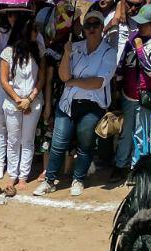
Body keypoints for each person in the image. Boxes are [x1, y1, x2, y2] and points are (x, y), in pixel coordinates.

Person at [35, 10, 115, 198]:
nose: (92, 28)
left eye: (96, 24)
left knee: (85, 144)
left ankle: (78, 179)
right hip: (68, 102)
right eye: (88, 25)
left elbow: (99, 82)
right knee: (58, 143)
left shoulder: (109, 52)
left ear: (102, 27)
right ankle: (49, 181)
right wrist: (66, 54)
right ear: (84, 28)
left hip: (92, 104)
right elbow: (64, 76)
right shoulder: (75, 47)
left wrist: (74, 81)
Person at [0, 13, 41, 198]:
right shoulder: (7, 53)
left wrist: (31, 98)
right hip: (12, 102)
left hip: (33, 102)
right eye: (34, 29)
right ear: (25, 31)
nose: (37, 32)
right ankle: (12, 174)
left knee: (27, 139)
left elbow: (41, 78)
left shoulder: (38, 49)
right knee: (13, 140)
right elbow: (4, 81)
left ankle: (23, 176)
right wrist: (19, 99)